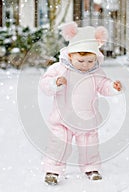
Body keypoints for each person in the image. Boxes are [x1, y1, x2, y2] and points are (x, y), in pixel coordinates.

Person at [39, 22, 122, 185]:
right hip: (62, 118)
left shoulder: (96, 72)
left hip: (86, 119)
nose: (86, 65)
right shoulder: (59, 69)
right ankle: (53, 170)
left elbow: (103, 86)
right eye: (81, 60)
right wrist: (55, 83)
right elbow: (44, 84)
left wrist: (113, 87)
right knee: (58, 145)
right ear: (70, 55)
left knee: (89, 145)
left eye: (90, 61)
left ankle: (91, 167)